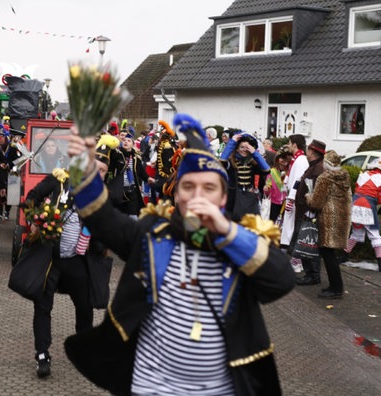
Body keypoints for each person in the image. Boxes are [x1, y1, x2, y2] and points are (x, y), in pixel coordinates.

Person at [64, 113, 295, 395]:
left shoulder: (243, 243)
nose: (198, 196)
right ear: (176, 195)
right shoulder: (152, 232)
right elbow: (102, 219)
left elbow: (281, 280)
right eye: (188, 187)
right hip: (149, 387)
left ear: (223, 197)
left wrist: (223, 230)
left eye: (209, 188)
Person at [22, 168, 110, 379]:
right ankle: (42, 354)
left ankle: (84, 350)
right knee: (42, 307)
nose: (99, 172)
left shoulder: (98, 193)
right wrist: (37, 220)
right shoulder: (59, 179)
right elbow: (31, 198)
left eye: (104, 170)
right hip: (50, 258)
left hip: (76, 260)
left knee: (85, 306)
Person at [306, 150, 352, 298]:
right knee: (330, 253)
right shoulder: (344, 176)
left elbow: (316, 202)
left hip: (329, 219)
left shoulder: (325, 178)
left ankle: (336, 288)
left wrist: (308, 196)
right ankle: (335, 286)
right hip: (341, 218)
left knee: (327, 253)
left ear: (326, 164)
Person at [344, 156, 381, 272]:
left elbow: (357, 189)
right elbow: (380, 199)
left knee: (356, 232)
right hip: (368, 206)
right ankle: (380, 263)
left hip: (355, 204)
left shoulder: (363, 175)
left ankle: (342, 256)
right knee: (374, 234)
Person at [293, 139, 326, 285]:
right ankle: (310, 273)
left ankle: (313, 275)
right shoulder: (313, 166)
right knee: (305, 241)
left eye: (308, 149)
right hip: (304, 210)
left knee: (308, 243)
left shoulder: (318, 169)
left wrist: (311, 210)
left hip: (308, 212)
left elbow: (315, 192)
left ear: (312, 152)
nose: (306, 151)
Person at [220, 131, 270, 221]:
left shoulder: (252, 163)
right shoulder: (231, 163)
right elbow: (222, 160)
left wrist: (255, 153)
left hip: (249, 200)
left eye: (247, 147)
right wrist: (232, 142)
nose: (244, 149)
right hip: (233, 199)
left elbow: (267, 170)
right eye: (242, 147)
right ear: (237, 149)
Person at [280, 134, 309, 252]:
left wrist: (291, 198)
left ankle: (291, 252)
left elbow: (298, 180)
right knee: (288, 224)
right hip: (292, 196)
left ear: (294, 145)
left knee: (291, 225)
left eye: (289, 143)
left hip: (294, 198)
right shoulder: (297, 159)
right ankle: (287, 248)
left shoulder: (301, 160)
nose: (288, 145)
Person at [263, 150, 292, 223]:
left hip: (285, 204)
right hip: (273, 203)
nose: (283, 161)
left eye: (286, 160)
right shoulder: (272, 171)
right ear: (277, 159)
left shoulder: (289, 173)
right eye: (282, 158)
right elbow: (268, 185)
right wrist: (266, 188)